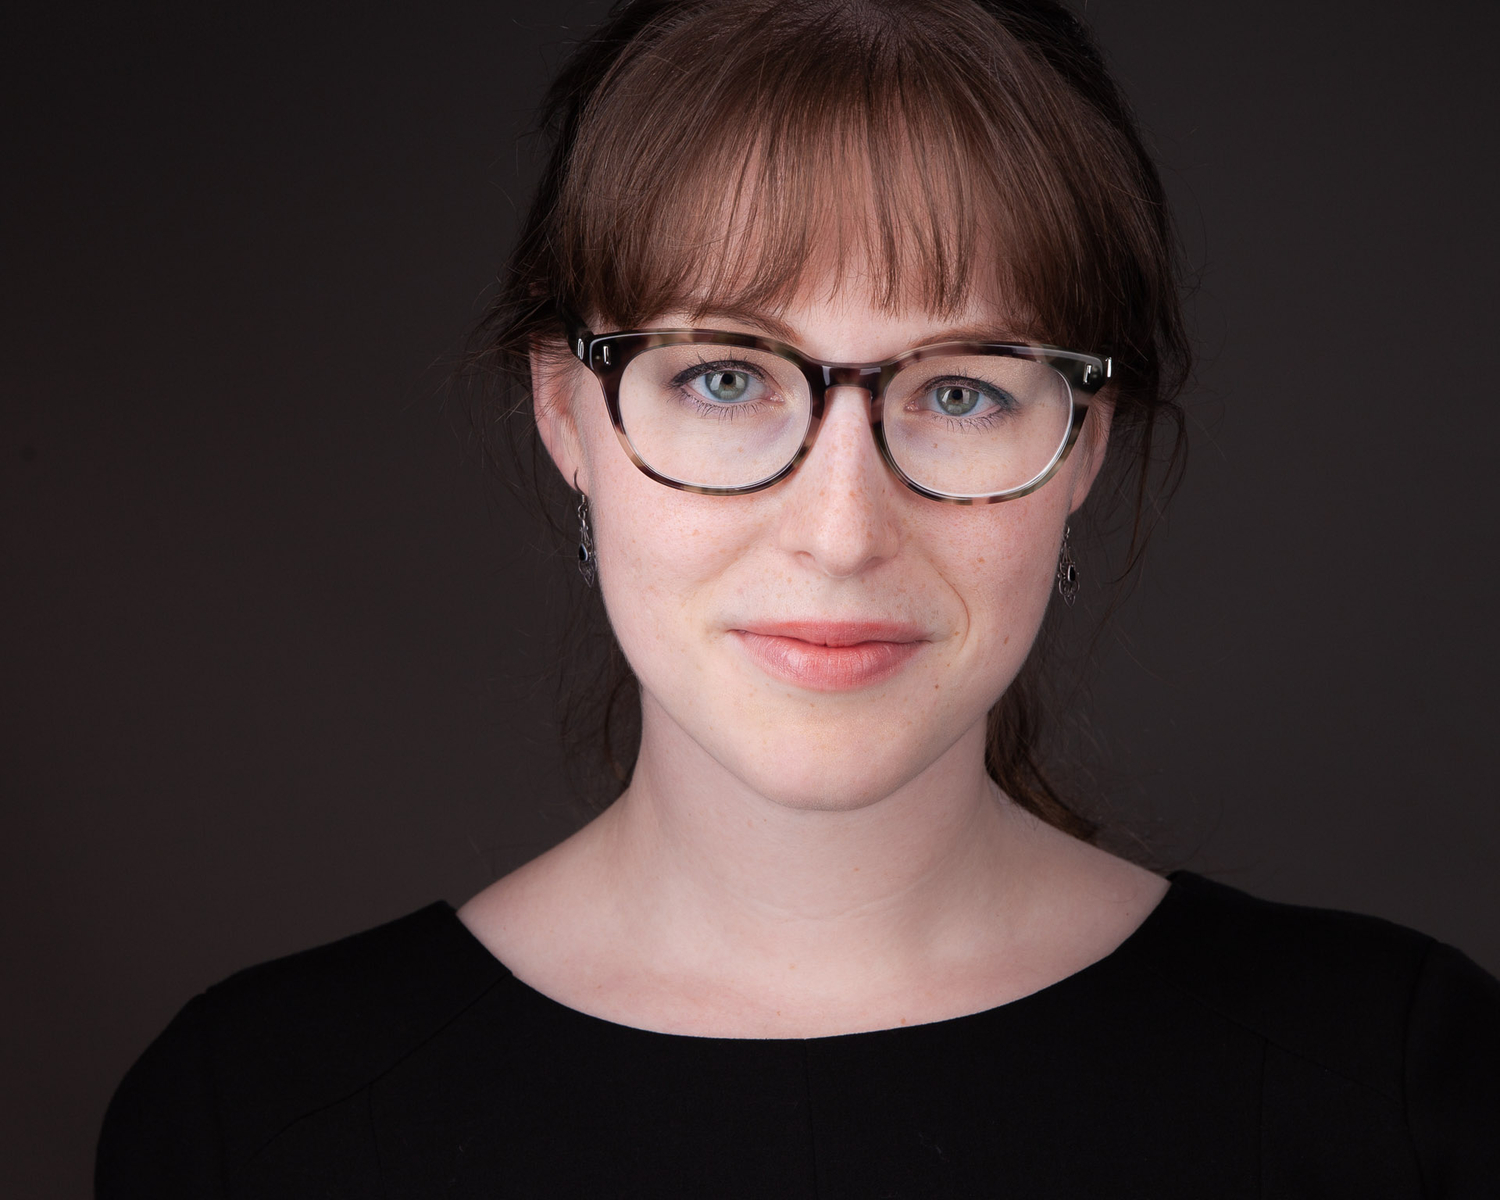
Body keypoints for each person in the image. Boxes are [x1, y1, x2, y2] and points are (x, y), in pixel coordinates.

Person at [96, 1, 1500, 1195]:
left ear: (1085, 448)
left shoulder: (1398, 1093)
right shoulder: (253, 1123)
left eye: (963, 391)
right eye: (726, 377)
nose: (841, 534)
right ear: (566, 413)